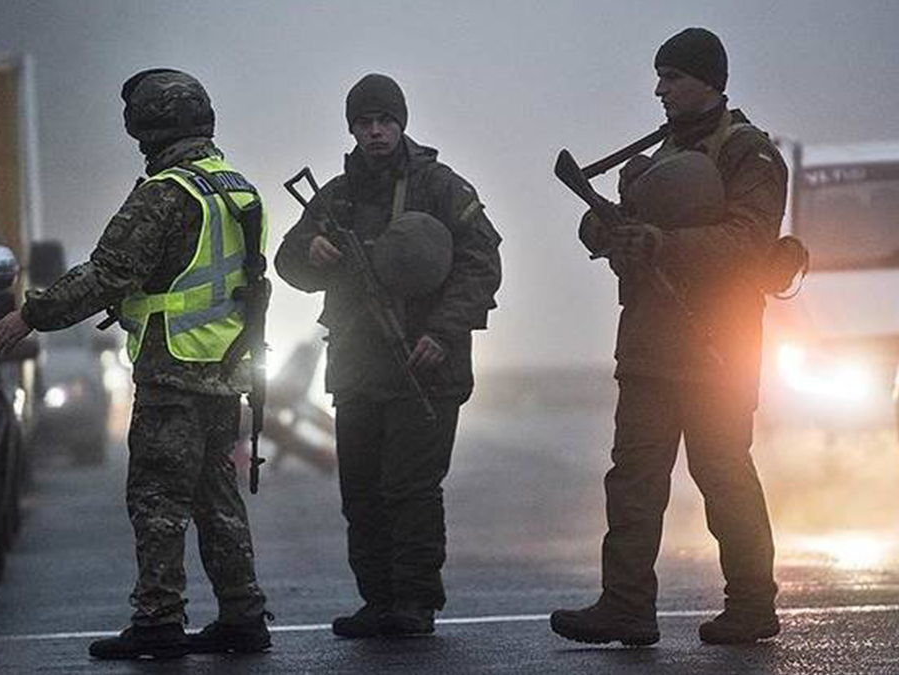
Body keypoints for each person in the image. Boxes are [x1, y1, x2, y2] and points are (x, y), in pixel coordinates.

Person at [0, 68, 270, 660]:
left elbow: (107, 273)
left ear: (146, 125)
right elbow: (204, 278)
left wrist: (30, 315)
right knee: (217, 496)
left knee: (157, 500)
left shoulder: (165, 193)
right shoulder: (238, 187)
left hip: (172, 372)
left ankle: (158, 623)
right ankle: (243, 616)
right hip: (225, 369)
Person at [550, 27, 788, 646]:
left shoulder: (749, 154)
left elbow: (748, 241)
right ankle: (626, 606)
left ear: (710, 81)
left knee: (723, 475)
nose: (660, 88)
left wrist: (662, 243)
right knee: (633, 480)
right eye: (659, 76)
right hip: (650, 346)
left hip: (716, 347)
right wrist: (607, 230)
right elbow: (635, 232)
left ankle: (752, 606)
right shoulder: (660, 158)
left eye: (673, 77)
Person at [274, 73, 502, 638]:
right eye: (365, 123)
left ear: (401, 123)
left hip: (426, 365)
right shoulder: (337, 194)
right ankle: (378, 601)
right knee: (362, 491)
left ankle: (415, 604)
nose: (375, 132)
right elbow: (286, 261)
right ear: (352, 129)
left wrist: (443, 332)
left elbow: (482, 262)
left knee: (411, 489)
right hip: (357, 366)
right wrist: (313, 252)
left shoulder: (440, 187)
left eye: (384, 121)